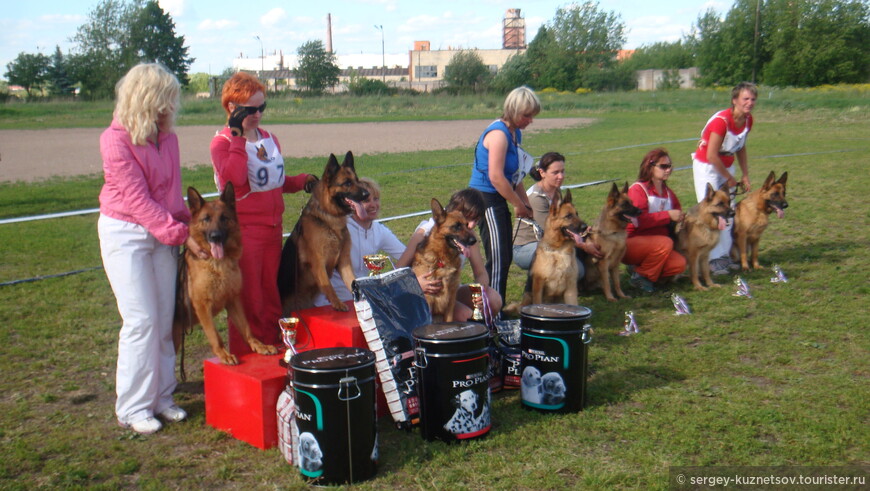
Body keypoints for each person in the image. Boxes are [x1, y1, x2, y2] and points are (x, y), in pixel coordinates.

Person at [98, 63, 206, 434]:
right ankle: (132, 406)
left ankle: (162, 397)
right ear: (145, 100)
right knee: (140, 321)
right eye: (164, 101)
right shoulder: (114, 140)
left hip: (163, 234)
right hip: (124, 233)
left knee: (163, 319)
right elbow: (139, 201)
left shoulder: (169, 139)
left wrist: (190, 227)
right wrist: (181, 235)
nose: (169, 109)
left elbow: (172, 195)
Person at [210, 72, 317, 355]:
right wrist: (237, 137)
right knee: (248, 297)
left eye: (261, 108)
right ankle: (245, 355)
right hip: (244, 231)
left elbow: (273, 182)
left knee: (270, 294)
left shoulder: (270, 138)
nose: (257, 115)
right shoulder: (221, 143)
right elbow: (234, 180)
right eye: (250, 110)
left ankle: (272, 347)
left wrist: (301, 180)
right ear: (232, 108)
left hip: (272, 229)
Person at [469, 86, 541, 310]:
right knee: (498, 259)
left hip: (499, 196)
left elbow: (515, 174)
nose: (530, 120)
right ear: (513, 110)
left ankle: (494, 307)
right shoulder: (499, 135)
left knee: (504, 256)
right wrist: (518, 204)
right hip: (486, 199)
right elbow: (496, 177)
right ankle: (492, 313)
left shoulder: (514, 133)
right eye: (526, 115)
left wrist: (525, 203)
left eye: (532, 115)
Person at [398, 188, 503, 321]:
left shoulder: (469, 237)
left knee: (493, 300)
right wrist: (416, 284)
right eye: (468, 219)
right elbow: (397, 271)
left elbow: (481, 273)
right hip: (423, 293)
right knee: (464, 316)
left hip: (450, 291)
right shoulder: (424, 233)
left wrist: (479, 293)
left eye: (475, 220)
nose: (471, 226)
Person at [692, 81, 757, 275]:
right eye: (745, 99)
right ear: (735, 100)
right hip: (708, 167)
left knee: (728, 211)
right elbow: (712, 155)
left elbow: (741, 147)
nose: (750, 103)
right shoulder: (721, 121)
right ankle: (711, 260)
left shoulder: (747, 120)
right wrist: (729, 178)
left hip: (726, 165)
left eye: (753, 99)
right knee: (711, 211)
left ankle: (724, 256)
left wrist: (744, 174)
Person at [312, 178, 408, 307]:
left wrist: (388, 283)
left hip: (361, 303)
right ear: (352, 203)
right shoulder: (338, 229)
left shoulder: (380, 230)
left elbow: (406, 255)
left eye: (376, 199)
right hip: (330, 304)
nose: (373, 205)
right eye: (366, 201)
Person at [512, 151, 601, 275]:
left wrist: (584, 233)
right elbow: (550, 232)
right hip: (526, 247)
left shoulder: (556, 190)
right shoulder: (536, 198)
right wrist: (583, 245)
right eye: (555, 173)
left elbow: (567, 221)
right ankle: (535, 282)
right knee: (575, 271)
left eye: (562, 171)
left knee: (578, 268)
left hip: (549, 242)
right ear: (542, 173)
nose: (561, 176)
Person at [622, 148, 687, 293]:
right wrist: (668, 215)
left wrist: (680, 217)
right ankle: (641, 277)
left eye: (669, 166)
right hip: (631, 242)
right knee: (665, 243)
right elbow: (638, 221)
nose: (668, 170)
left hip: (658, 246)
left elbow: (678, 213)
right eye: (663, 166)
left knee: (679, 264)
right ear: (650, 167)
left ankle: (640, 269)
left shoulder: (669, 193)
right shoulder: (638, 189)